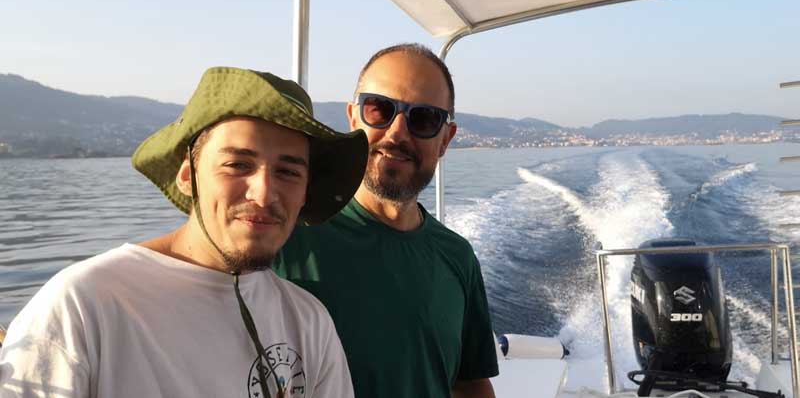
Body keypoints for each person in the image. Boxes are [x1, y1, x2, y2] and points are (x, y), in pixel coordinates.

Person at [0, 67, 368, 398]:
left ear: (304, 193)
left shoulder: (308, 320)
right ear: (188, 177)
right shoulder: (85, 304)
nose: (264, 194)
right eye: (238, 164)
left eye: (288, 172)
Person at [275, 44, 499, 398]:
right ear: (353, 117)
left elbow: (470, 383)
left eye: (424, 119)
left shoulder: (457, 257)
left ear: (445, 139)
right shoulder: (287, 237)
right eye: (379, 109)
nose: (397, 133)